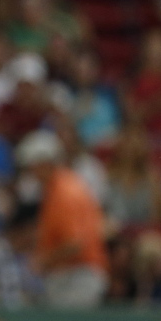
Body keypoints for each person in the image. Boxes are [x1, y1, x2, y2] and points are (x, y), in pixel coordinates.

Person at [16, 130, 108, 308]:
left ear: (45, 164)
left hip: (78, 276)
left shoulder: (64, 193)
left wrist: (43, 261)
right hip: (68, 274)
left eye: (32, 166)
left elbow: (75, 244)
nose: (30, 173)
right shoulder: (58, 186)